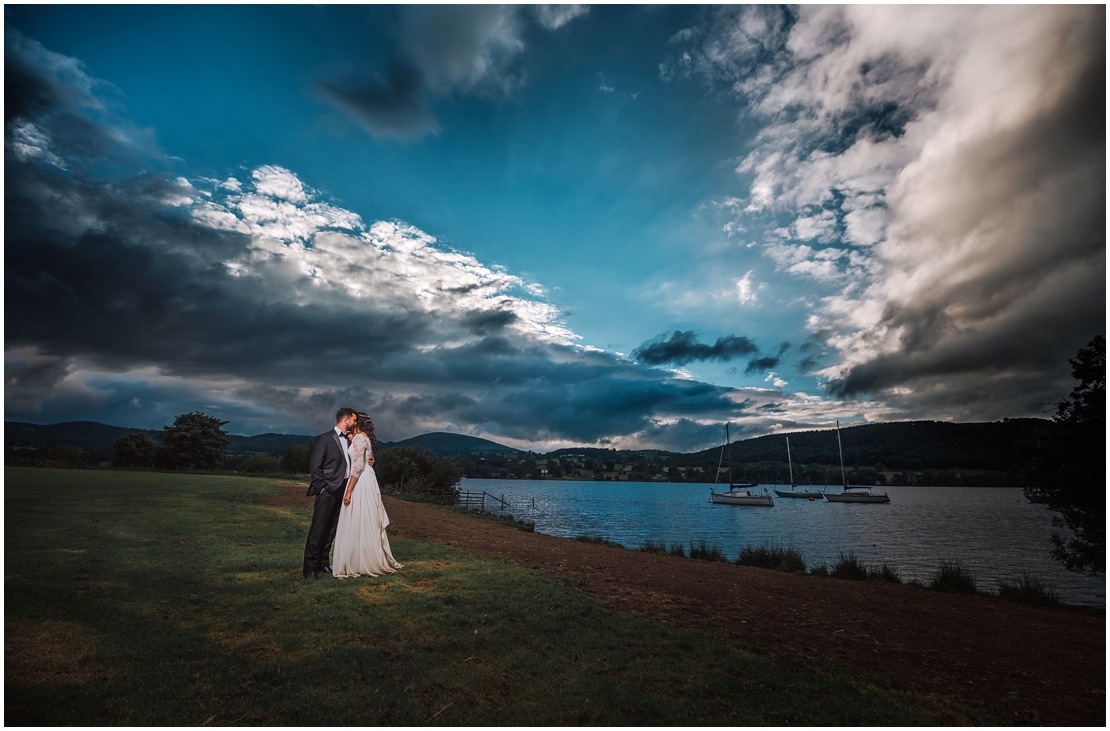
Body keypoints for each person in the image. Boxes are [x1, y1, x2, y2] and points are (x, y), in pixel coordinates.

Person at [332, 411, 403, 578]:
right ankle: (364, 556)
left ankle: (358, 560)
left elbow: (357, 467)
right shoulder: (364, 438)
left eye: (354, 420)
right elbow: (366, 460)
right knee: (366, 519)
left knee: (358, 518)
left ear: (356, 423)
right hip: (369, 478)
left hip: (361, 481)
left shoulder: (359, 438)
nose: (350, 422)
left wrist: (348, 491)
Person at [303, 407, 358, 579]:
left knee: (332, 529)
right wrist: (320, 487)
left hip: (343, 489)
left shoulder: (350, 441)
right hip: (327, 490)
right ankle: (309, 568)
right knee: (318, 529)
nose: (355, 423)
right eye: (354, 420)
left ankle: (323, 563)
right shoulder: (324, 439)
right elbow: (315, 465)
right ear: (346, 419)